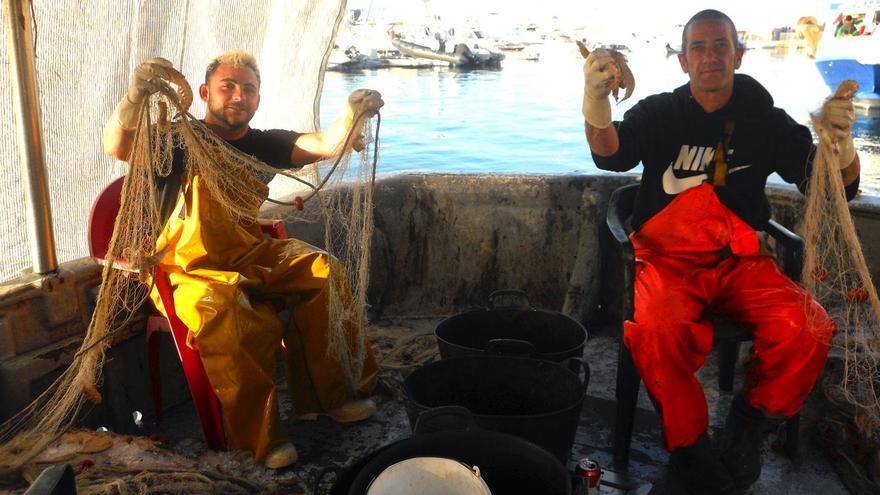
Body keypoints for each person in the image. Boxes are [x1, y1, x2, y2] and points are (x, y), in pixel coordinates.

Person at [582, 9, 860, 494]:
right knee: (657, 331)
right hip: (668, 262)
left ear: (738, 54)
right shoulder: (659, 113)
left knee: (808, 326)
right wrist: (595, 100)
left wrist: (844, 147)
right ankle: (690, 452)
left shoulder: (768, 120)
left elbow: (834, 187)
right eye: (699, 48)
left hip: (742, 262)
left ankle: (747, 430)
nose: (710, 56)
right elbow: (610, 153)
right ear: (684, 61)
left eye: (720, 46)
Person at [102, 50, 383, 469]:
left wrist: (352, 116)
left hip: (250, 251)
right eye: (227, 86)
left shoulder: (264, 143)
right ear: (204, 93)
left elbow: (324, 144)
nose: (238, 95)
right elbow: (118, 146)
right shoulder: (176, 138)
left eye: (248, 88)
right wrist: (133, 97)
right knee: (226, 310)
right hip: (186, 269)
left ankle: (333, 397)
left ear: (257, 98)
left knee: (324, 271)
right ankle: (262, 440)